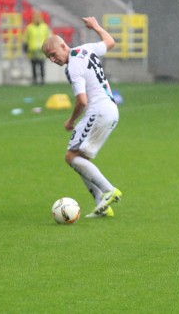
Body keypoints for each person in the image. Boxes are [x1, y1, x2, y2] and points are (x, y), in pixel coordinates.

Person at [41, 16, 122, 218]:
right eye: (49, 58)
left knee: (71, 157)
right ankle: (102, 206)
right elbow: (110, 42)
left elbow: (82, 100)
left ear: (63, 45)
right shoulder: (86, 49)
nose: (53, 60)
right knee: (79, 159)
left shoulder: (72, 67)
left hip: (98, 110)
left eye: (53, 54)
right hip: (111, 110)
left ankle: (109, 190)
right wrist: (96, 27)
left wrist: (71, 121)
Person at [25, 10, 51, 85]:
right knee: (33, 65)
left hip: (42, 50)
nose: (37, 19)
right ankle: (35, 79)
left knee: (42, 65)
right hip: (32, 50)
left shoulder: (45, 27)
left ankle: (42, 79)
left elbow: (49, 37)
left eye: (38, 17)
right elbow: (26, 38)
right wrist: (26, 49)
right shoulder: (29, 27)